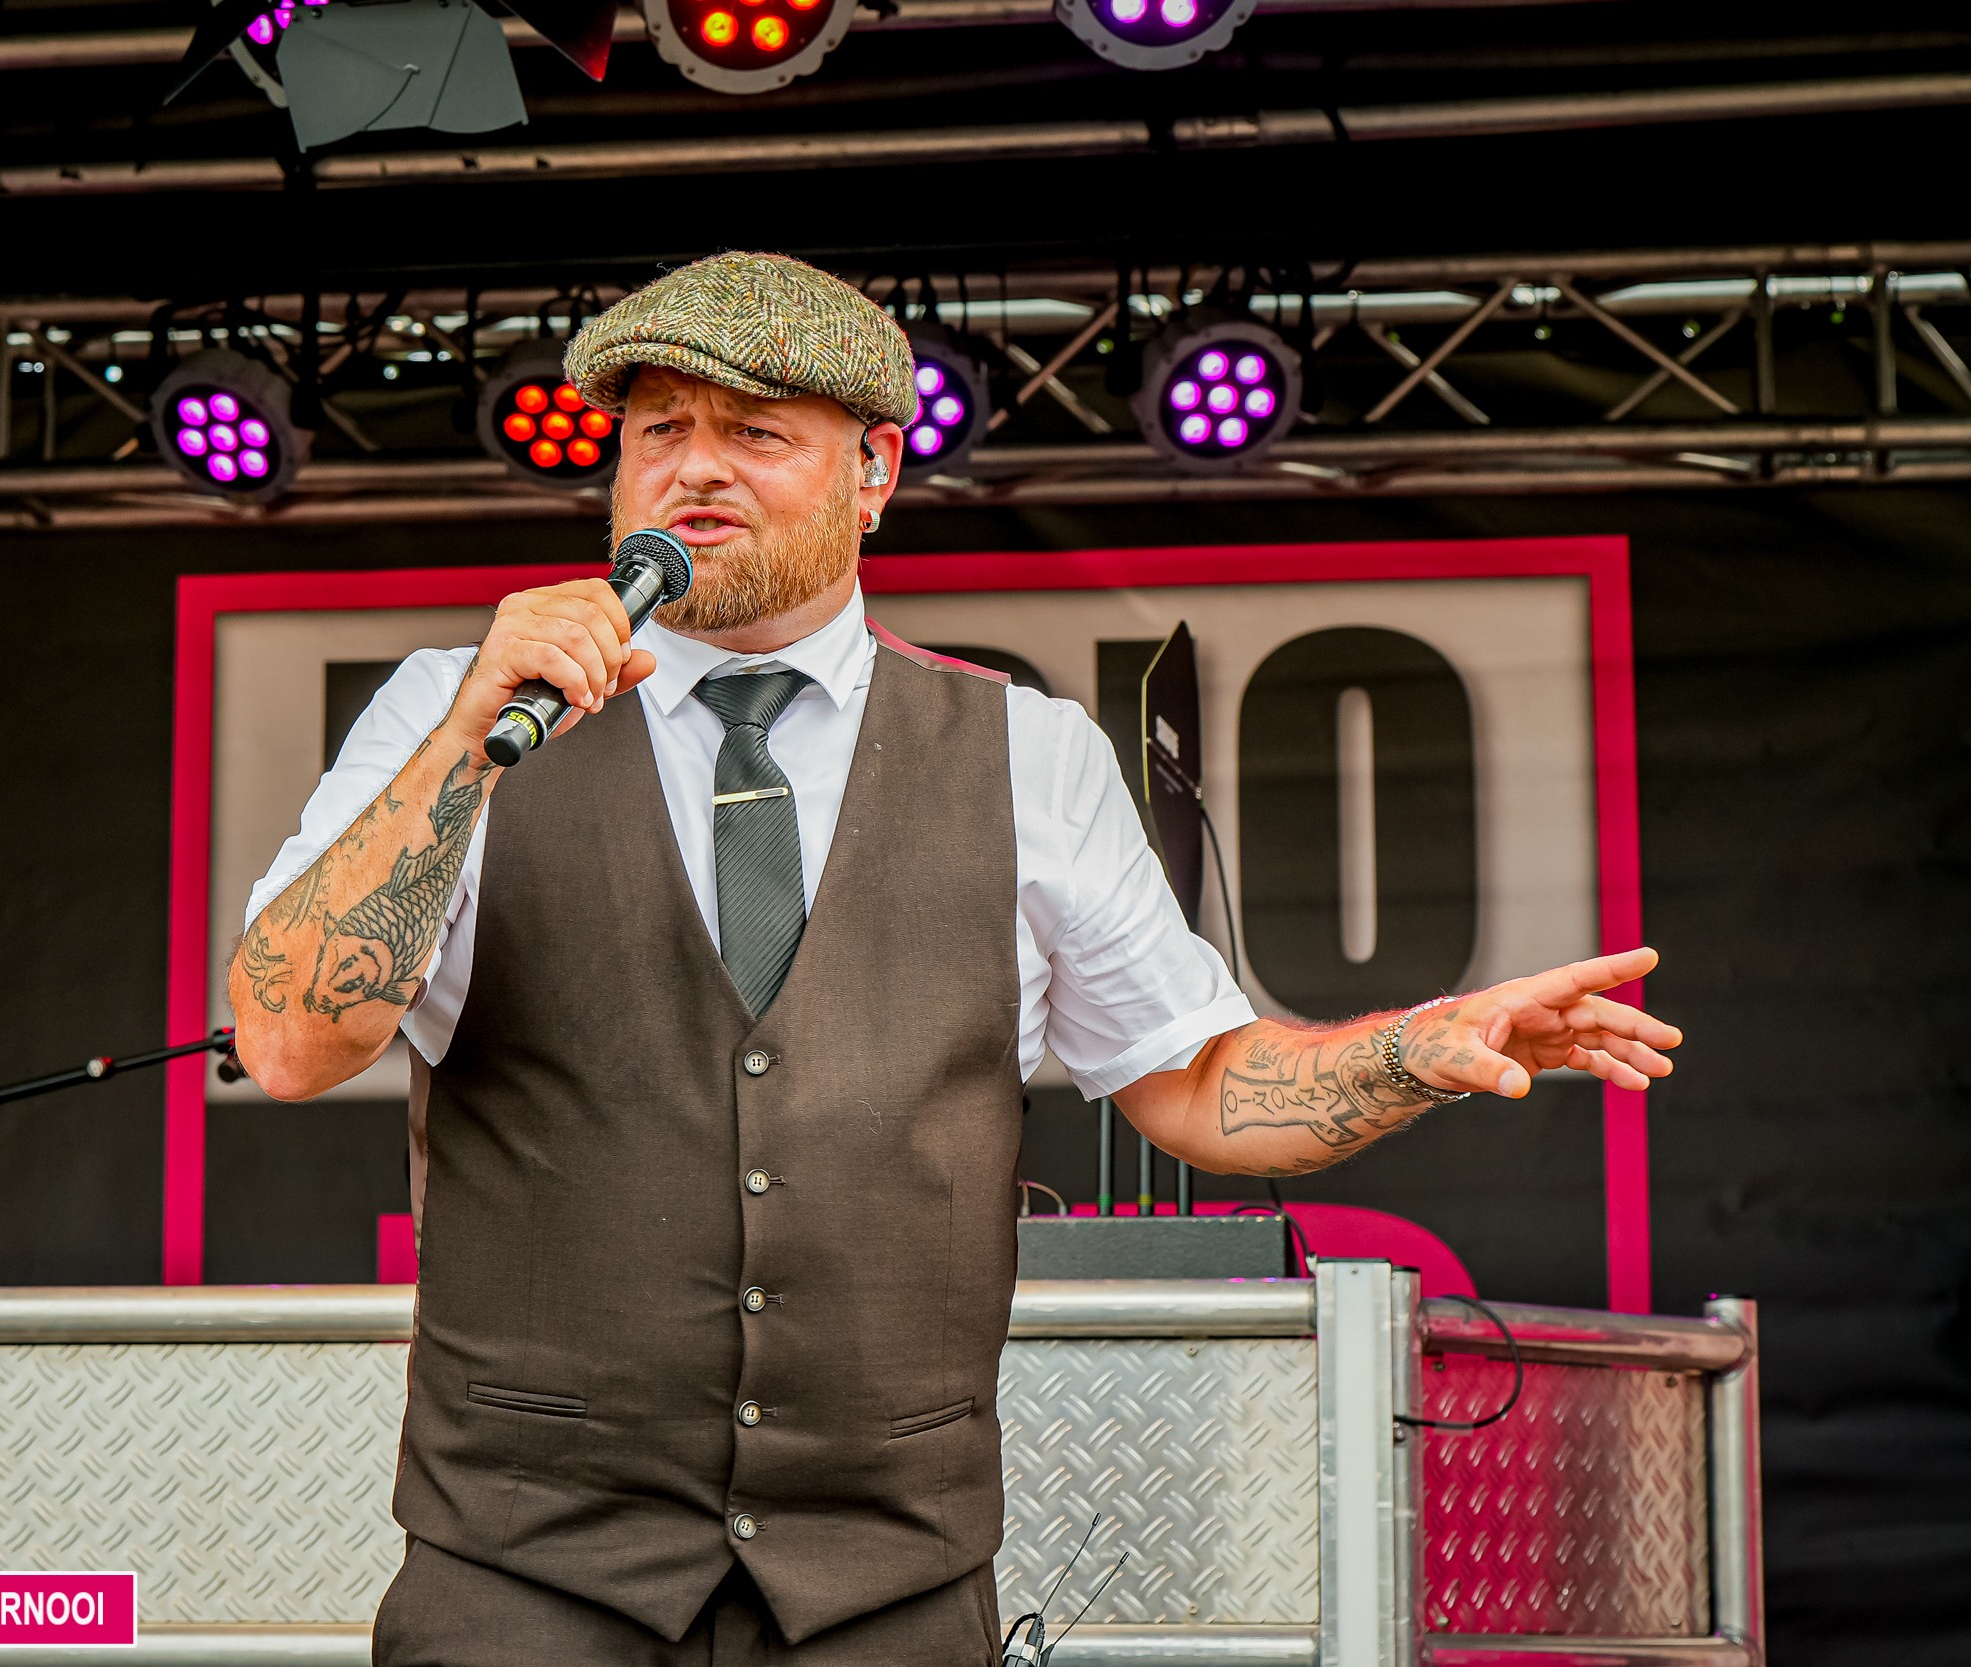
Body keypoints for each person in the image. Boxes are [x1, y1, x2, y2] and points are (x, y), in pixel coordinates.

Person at [229, 251, 1681, 1666]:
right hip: (524, 1579)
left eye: (755, 434)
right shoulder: (451, 712)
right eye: (659, 430)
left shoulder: (1028, 754)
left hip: (886, 1588)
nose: (693, 470)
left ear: (874, 471)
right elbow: (288, 1044)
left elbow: (1198, 1083)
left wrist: (1413, 1050)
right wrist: (464, 743)